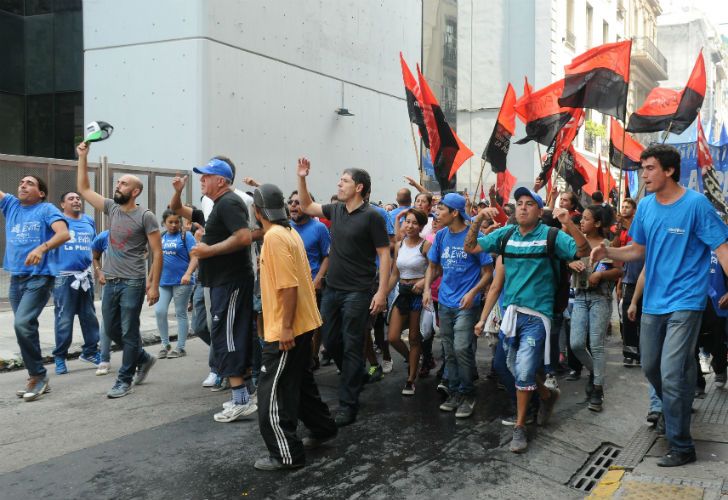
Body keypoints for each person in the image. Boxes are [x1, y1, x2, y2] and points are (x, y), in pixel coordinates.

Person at [591, 144, 728, 467]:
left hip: (687, 301)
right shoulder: (647, 207)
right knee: (651, 367)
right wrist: (609, 253)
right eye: (643, 168)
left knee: (671, 372)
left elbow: (722, 247)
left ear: (669, 171)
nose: (644, 174)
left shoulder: (696, 205)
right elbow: (637, 250)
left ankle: (681, 445)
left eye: (650, 168)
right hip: (654, 302)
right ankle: (673, 409)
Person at [466, 189, 590, 453]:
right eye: (519, 204)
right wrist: (477, 219)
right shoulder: (506, 235)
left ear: (539, 211)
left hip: (539, 316)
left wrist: (568, 223)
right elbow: (471, 247)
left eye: (529, 204)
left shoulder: (551, 235)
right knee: (508, 365)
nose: (522, 208)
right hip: (511, 315)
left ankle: (520, 427)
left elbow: (582, 250)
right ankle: (546, 396)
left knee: (523, 370)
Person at [296, 157, 390, 427]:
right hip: (333, 289)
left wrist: (381, 292)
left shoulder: (372, 216)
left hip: (358, 292)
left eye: (344, 180)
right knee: (330, 339)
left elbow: (384, 256)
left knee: (351, 344)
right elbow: (306, 205)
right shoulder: (335, 210)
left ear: (359, 187)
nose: (339, 183)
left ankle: (349, 404)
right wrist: (302, 177)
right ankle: (356, 374)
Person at [252, 183, 337, 471]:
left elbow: (288, 287)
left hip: (287, 329)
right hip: (302, 322)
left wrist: (285, 328)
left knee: (272, 393)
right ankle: (323, 428)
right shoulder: (288, 232)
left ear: (257, 211)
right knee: (299, 383)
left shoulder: (275, 238)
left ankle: (286, 454)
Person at [77, 142, 162, 398]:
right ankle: (144, 357)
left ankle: (124, 378)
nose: (118, 186)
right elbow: (83, 188)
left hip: (133, 282)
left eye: (123, 184)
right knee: (112, 330)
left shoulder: (146, 216)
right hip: (111, 282)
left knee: (129, 330)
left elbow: (157, 252)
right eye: (118, 184)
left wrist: (154, 284)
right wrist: (83, 157)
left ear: (136, 191)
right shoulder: (111, 208)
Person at [183, 158, 257, 422]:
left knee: (228, 336)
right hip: (223, 282)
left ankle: (241, 399)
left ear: (221, 181)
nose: (201, 180)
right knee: (231, 334)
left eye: (206, 176)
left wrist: (207, 249)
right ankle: (246, 392)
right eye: (201, 176)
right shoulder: (221, 204)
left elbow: (244, 237)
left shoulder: (229, 202)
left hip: (231, 282)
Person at [423, 193, 493, 419]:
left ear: (455, 213)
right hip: (444, 302)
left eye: (441, 209)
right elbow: (433, 267)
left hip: (466, 304)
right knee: (449, 350)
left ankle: (468, 394)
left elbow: (488, 273)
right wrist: (426, 290)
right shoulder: (441, 236)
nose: (436, 213)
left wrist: (473, 292)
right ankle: (453, 392)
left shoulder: (474, 236)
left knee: (462, 348)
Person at [2, 176, 70, 401]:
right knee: (25, 327)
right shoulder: (11, 204)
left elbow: (63, 233)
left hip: (40, 277)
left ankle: (38, 375)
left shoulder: (46, 209)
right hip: (17, 279)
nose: (23, 185)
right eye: (21, 182)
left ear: (41, 192)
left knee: (22, 323)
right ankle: (36, 376)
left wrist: (42, 248)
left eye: (30, 183)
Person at [567, 205, 622, 412]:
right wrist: (570, 264)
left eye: (586, 219)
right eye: (582, 218)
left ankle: (598, 389)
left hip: (601, 298)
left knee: (596, 344)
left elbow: (618, 271)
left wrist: (600, 275)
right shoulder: (576, 243)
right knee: (576, 344)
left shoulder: (607, 245)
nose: (582, 221)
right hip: (580, 297)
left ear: (597, 223)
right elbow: (566, 258)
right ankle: (595, 372)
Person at [51, 191, 101, 374]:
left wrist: (96, 269)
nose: (76, 201)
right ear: (62, 204)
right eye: (71, 199)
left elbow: (94, 248)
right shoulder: (57, 222)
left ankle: (90, 352)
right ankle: (60, 357)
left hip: (85, 276)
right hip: (63, 277)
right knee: (64, 318)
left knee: (89, 316)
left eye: (78, 198)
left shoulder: (88, 221)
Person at [387, 208, 431, 395]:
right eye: (407, 221)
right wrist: (382, 294)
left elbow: (435, 269)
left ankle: (410, 379)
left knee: (414, 338)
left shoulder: (425, 246)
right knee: (393, 337)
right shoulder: (399, 245)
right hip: (401, 293)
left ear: (421, 226)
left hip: (417, 295)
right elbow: (395, 273)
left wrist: (423, 283)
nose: (410, 225)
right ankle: (414, 358)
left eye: (414, 223)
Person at [288, 190, 330, 369]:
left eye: (298, 203)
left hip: (313, 285)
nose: (293, 206)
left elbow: (327, 256)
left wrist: (318, 279)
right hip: (290, 286)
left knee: (313, 325)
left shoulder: (319, 228)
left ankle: (312, 356)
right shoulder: (286, 228)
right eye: (291, 202)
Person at [155, 210, 198, 359]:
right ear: (164, 223)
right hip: (164, 281)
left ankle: (180, 347)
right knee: (160, 311)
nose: (173, 225)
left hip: (182, 282)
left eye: (176, 222)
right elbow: (156, 261)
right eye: (170, 222)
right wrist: (150, 281)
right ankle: (165, 344)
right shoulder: (161, 237)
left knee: (180, 313)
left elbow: (195, 257)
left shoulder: (186, 236)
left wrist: (188, 273)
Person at [91, 230, 112, 376]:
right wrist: (99, 272)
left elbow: (144, 253)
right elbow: (95, 257)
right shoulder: (104, 236)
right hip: (110, 283)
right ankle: (104, 359)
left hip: (131, 283)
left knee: (129, 320)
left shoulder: (135, 231)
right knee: (106, 321)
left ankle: (136, 357)